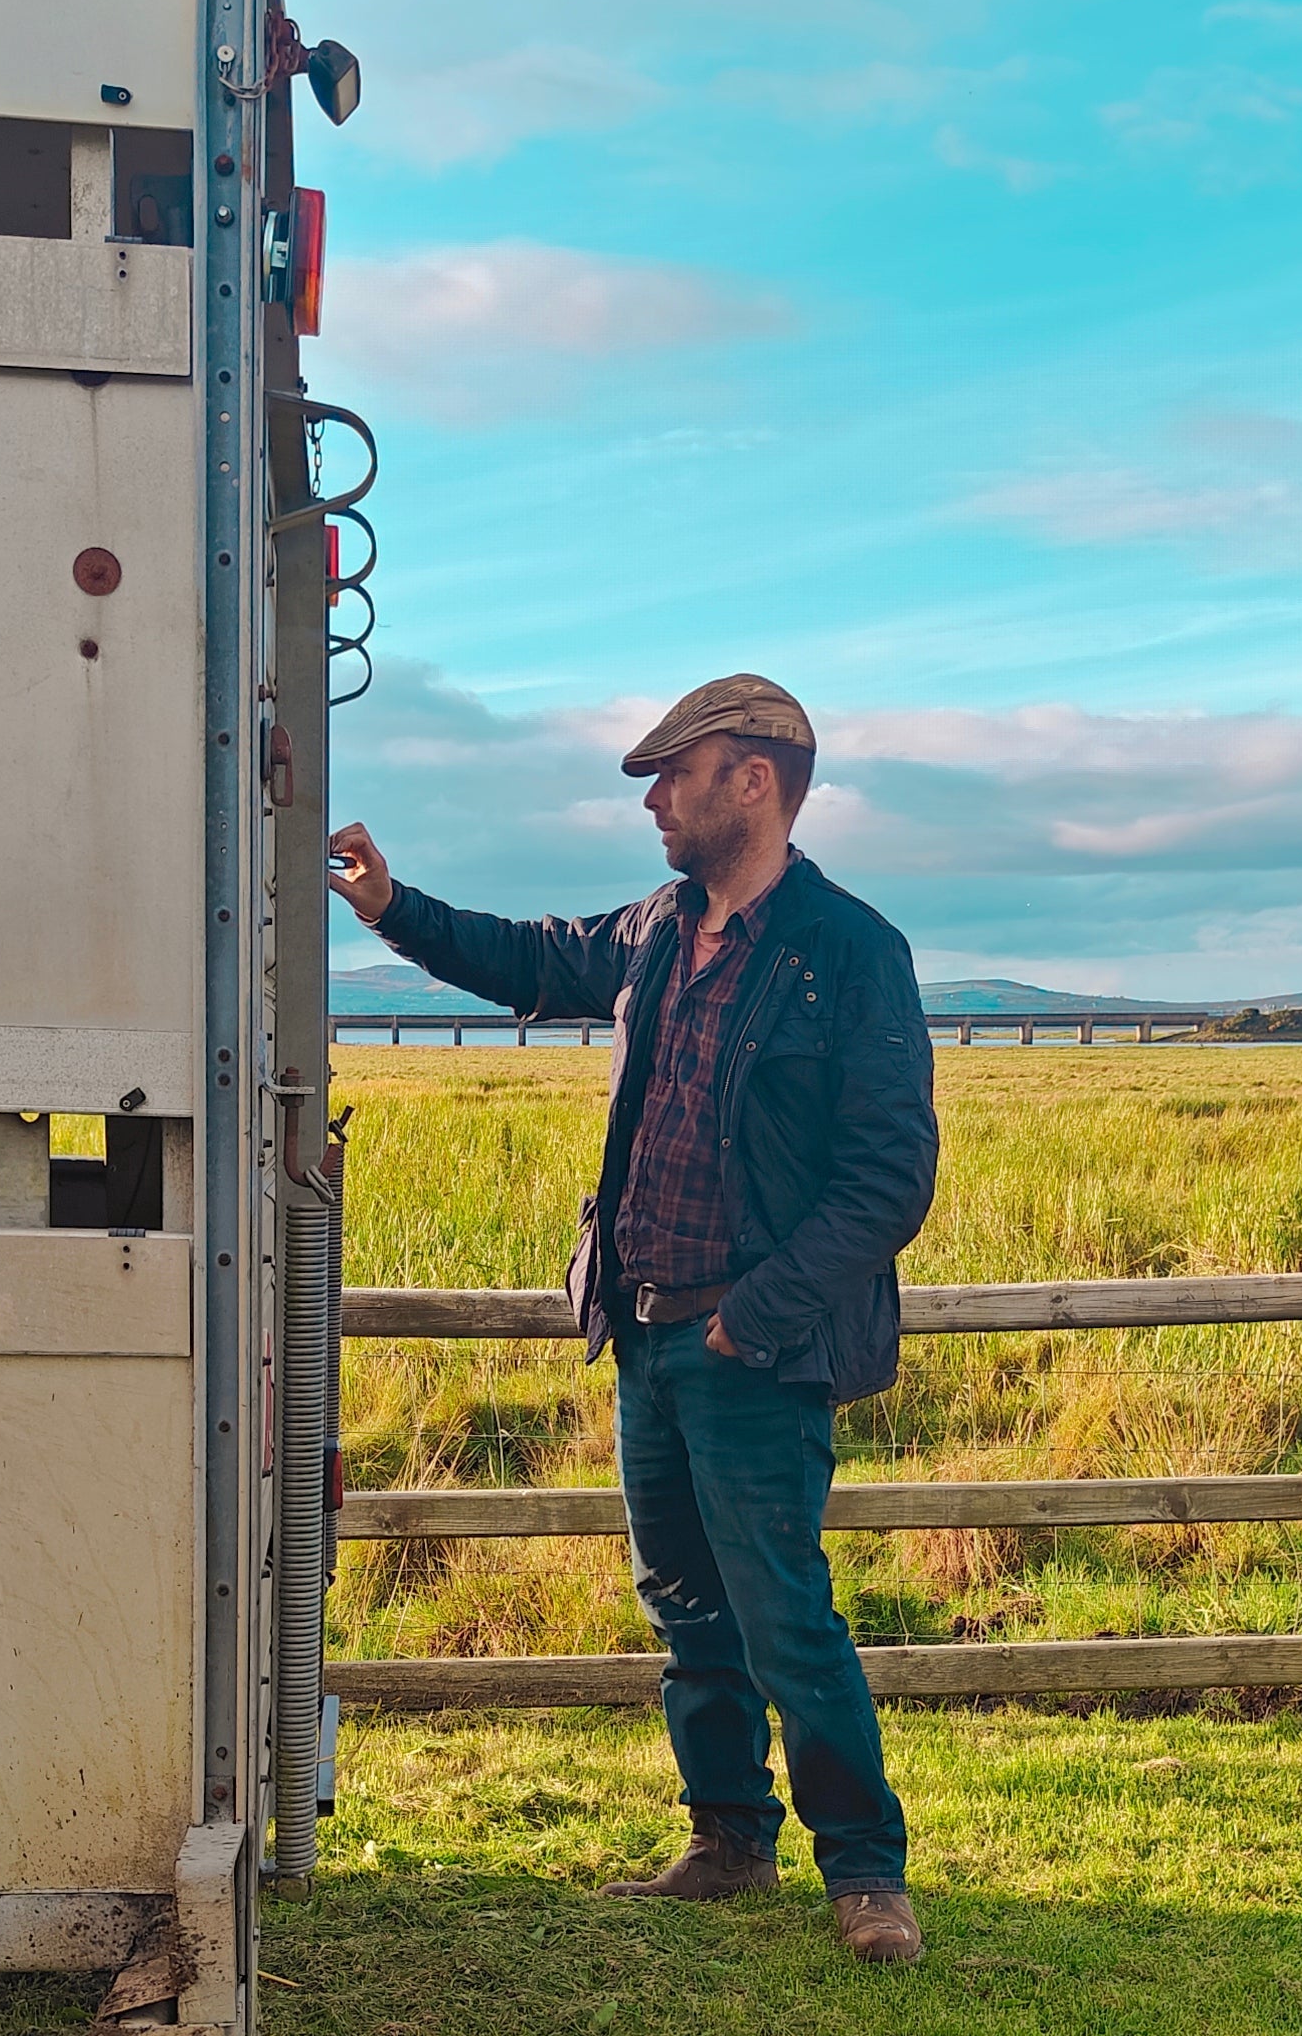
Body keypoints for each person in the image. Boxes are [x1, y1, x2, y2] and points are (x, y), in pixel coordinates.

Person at [326, 675, 939, 1965]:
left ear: (754, 780)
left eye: (676, 773)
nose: (654, 799)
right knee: (684, 1607)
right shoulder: (660, 928)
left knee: (783, 1612)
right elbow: (527, 959)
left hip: (748, 1347)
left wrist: (754, 1320)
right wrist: (389, 904)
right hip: (648, 1334)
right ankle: (727, 1839)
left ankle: (865, 1873)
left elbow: (889, 1180)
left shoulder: (851, 951)